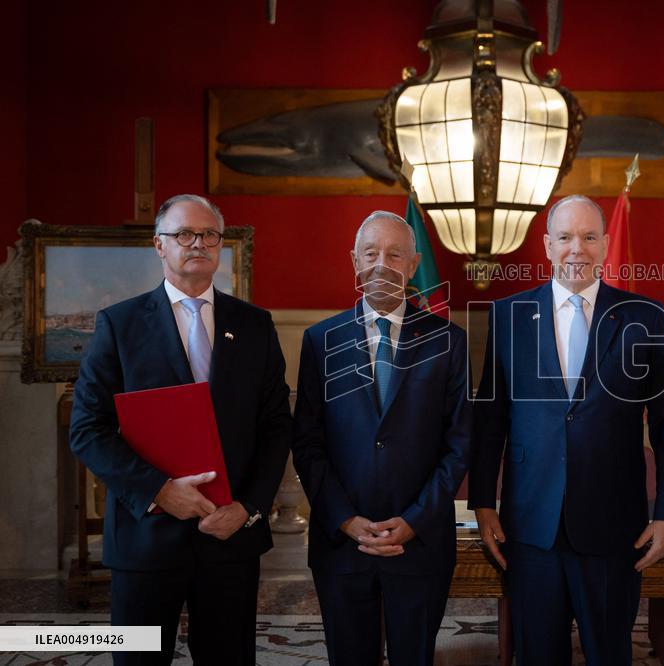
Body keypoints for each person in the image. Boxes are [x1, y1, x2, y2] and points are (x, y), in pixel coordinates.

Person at [70, 194, 293, 665]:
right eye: (184, 234)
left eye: (209, 234)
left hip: (229, 536)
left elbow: (276, 427)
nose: (198, 243)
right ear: (159, 245)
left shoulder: (254, 325)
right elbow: (88, 429)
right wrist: (158, 490)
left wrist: (249, 508)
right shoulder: (120, 325)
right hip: (146, 537)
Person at [468, 195, 664, 665]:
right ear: (548, 245)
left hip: (614, 527)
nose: (578, 249)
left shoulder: (645, 317)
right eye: (566, 237)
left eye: (589, 237)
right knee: (536, 655)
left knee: (611, 654)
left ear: (605, 245)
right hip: (530, 527)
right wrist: (484, 502)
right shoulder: (508, 315)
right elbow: (491, 420)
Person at [292, 211, 471, 665]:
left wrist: (415, 519)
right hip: (342, 542)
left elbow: (459, 443)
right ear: (354, 262)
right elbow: (307, 443)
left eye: (394, 255)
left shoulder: (449, 341)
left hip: (420, 541)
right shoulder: (320, 340)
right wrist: (345, 519)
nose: (381, 264)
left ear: (412, 266)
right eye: (370, 253)